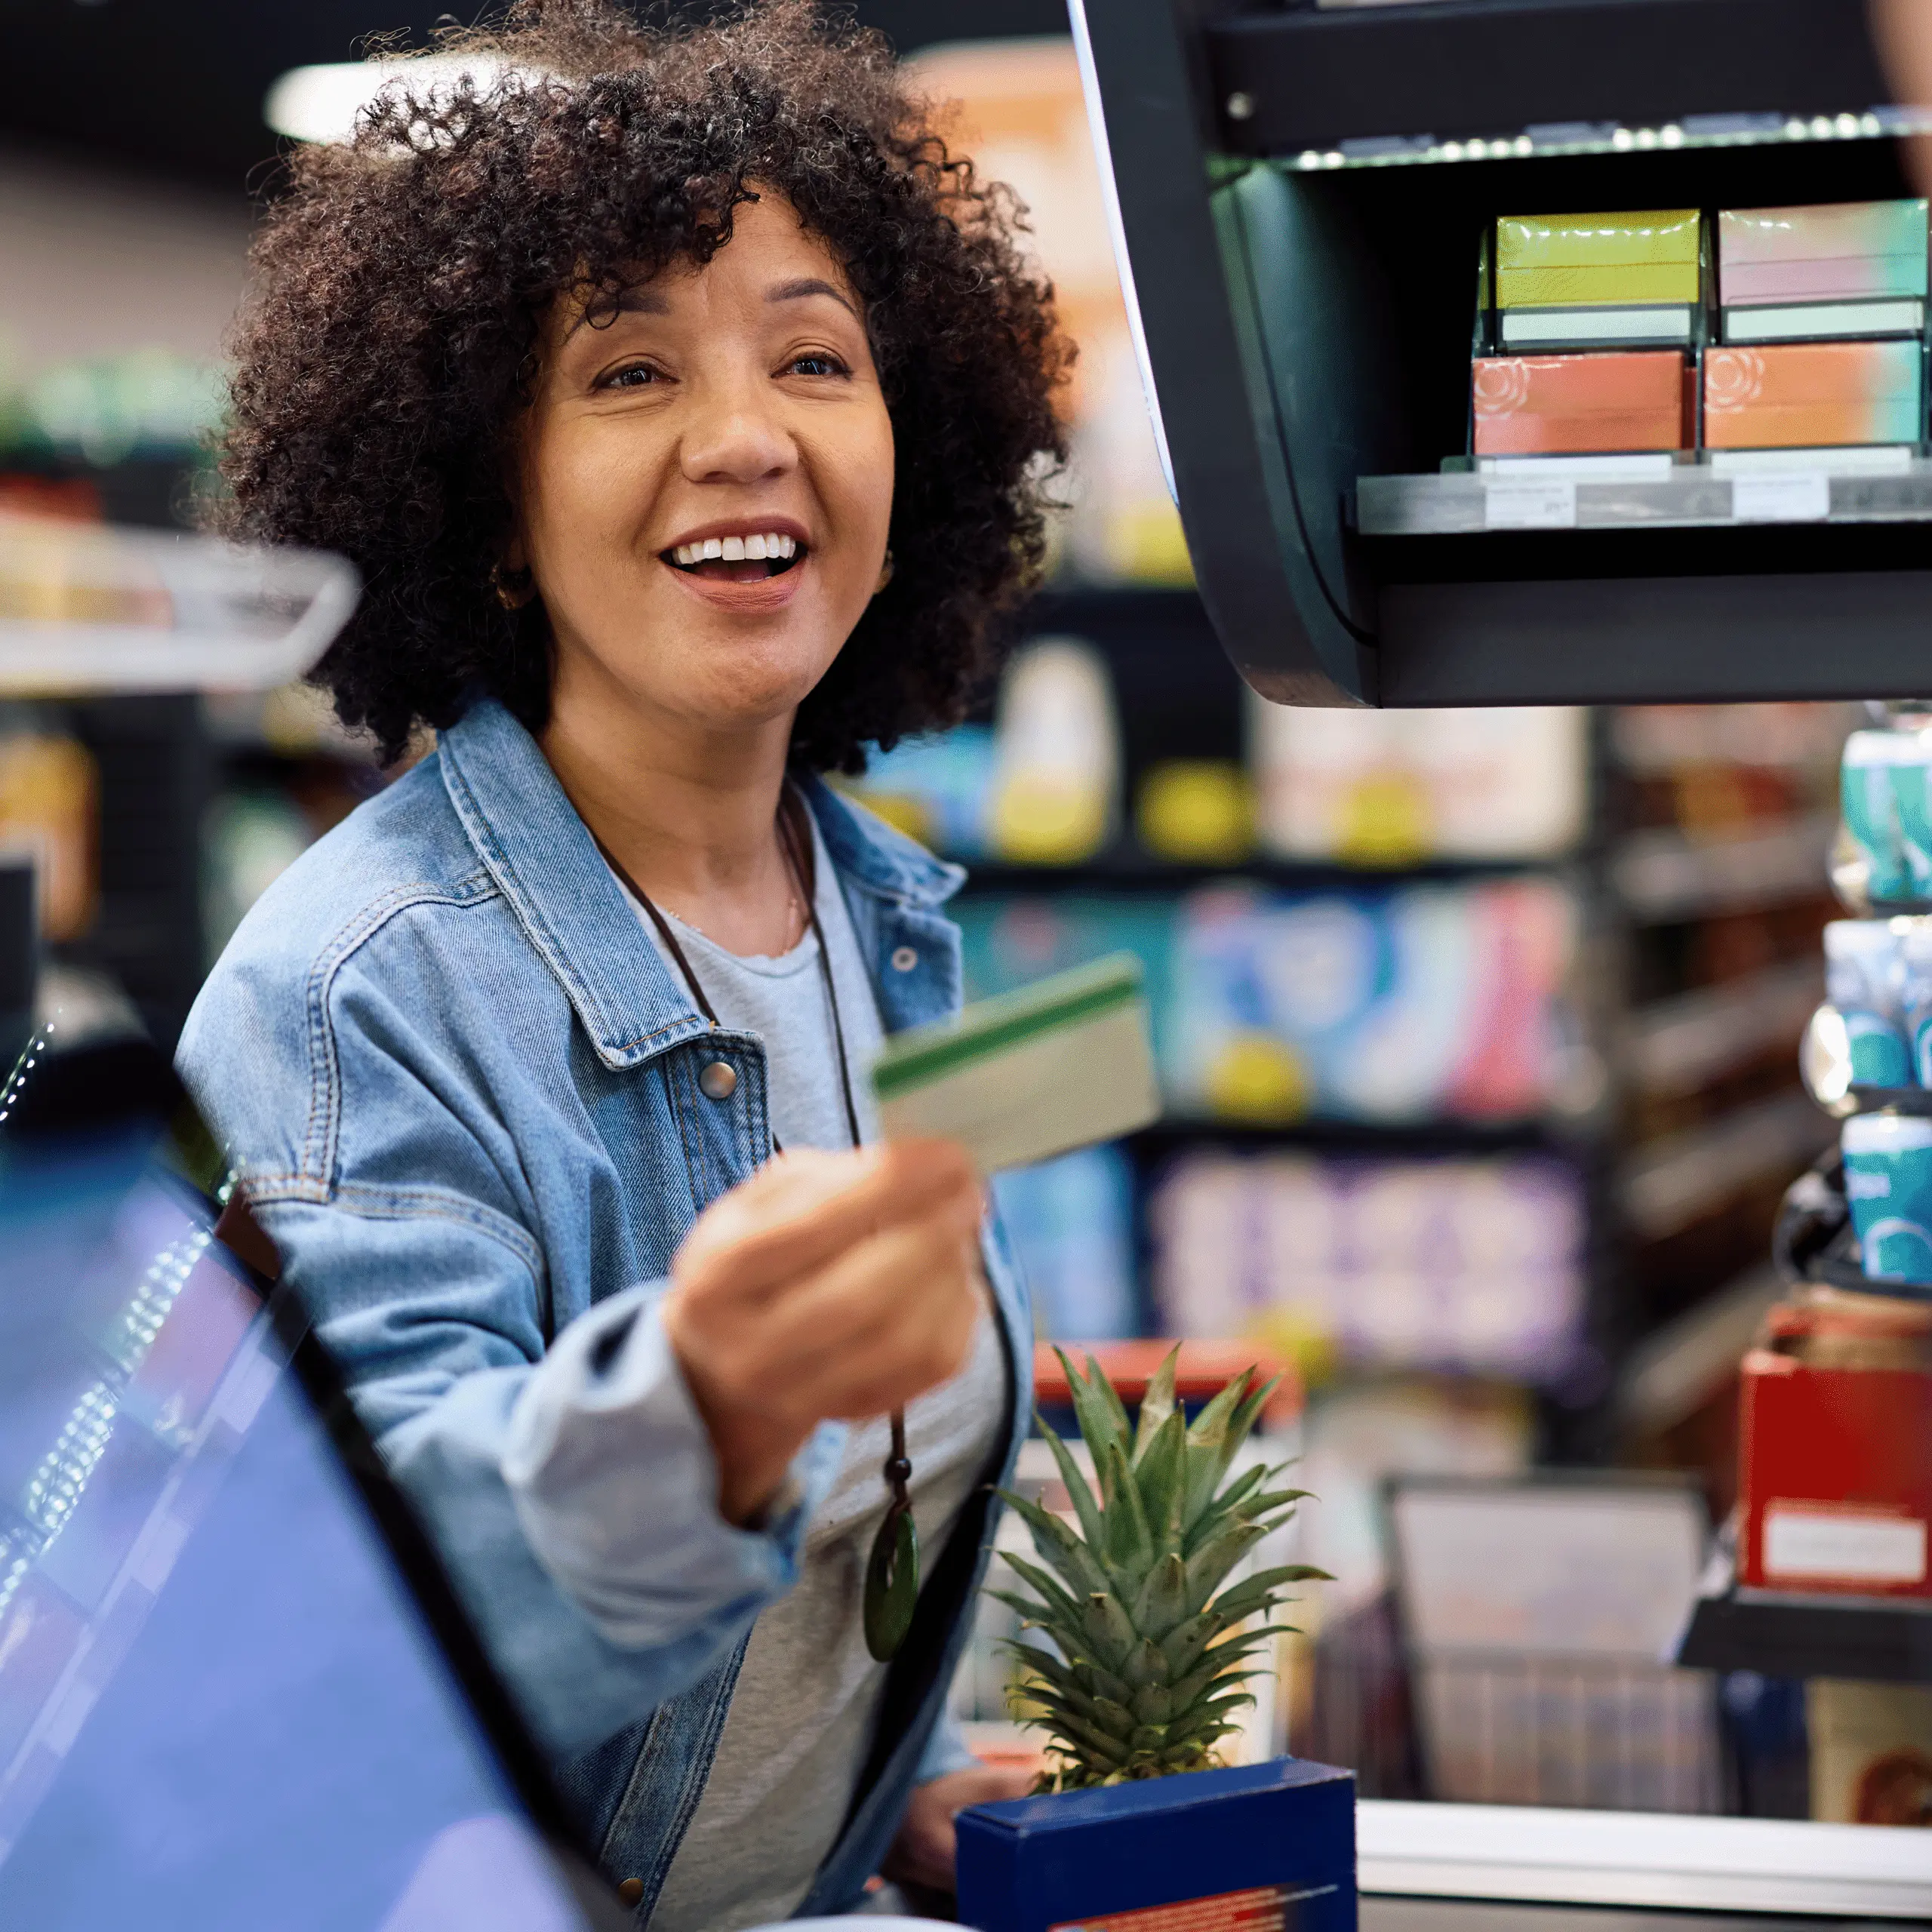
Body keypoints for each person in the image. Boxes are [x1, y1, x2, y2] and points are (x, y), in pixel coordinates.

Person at [177, 2, 1069, 1923]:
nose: (744, 436)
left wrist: (879, 1785)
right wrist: (699, 1412)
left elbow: (891, 1498)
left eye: (814, 356)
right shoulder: (353, 997)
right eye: (629, 370)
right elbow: (370, 1645)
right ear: (490, 504)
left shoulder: (899, 925)